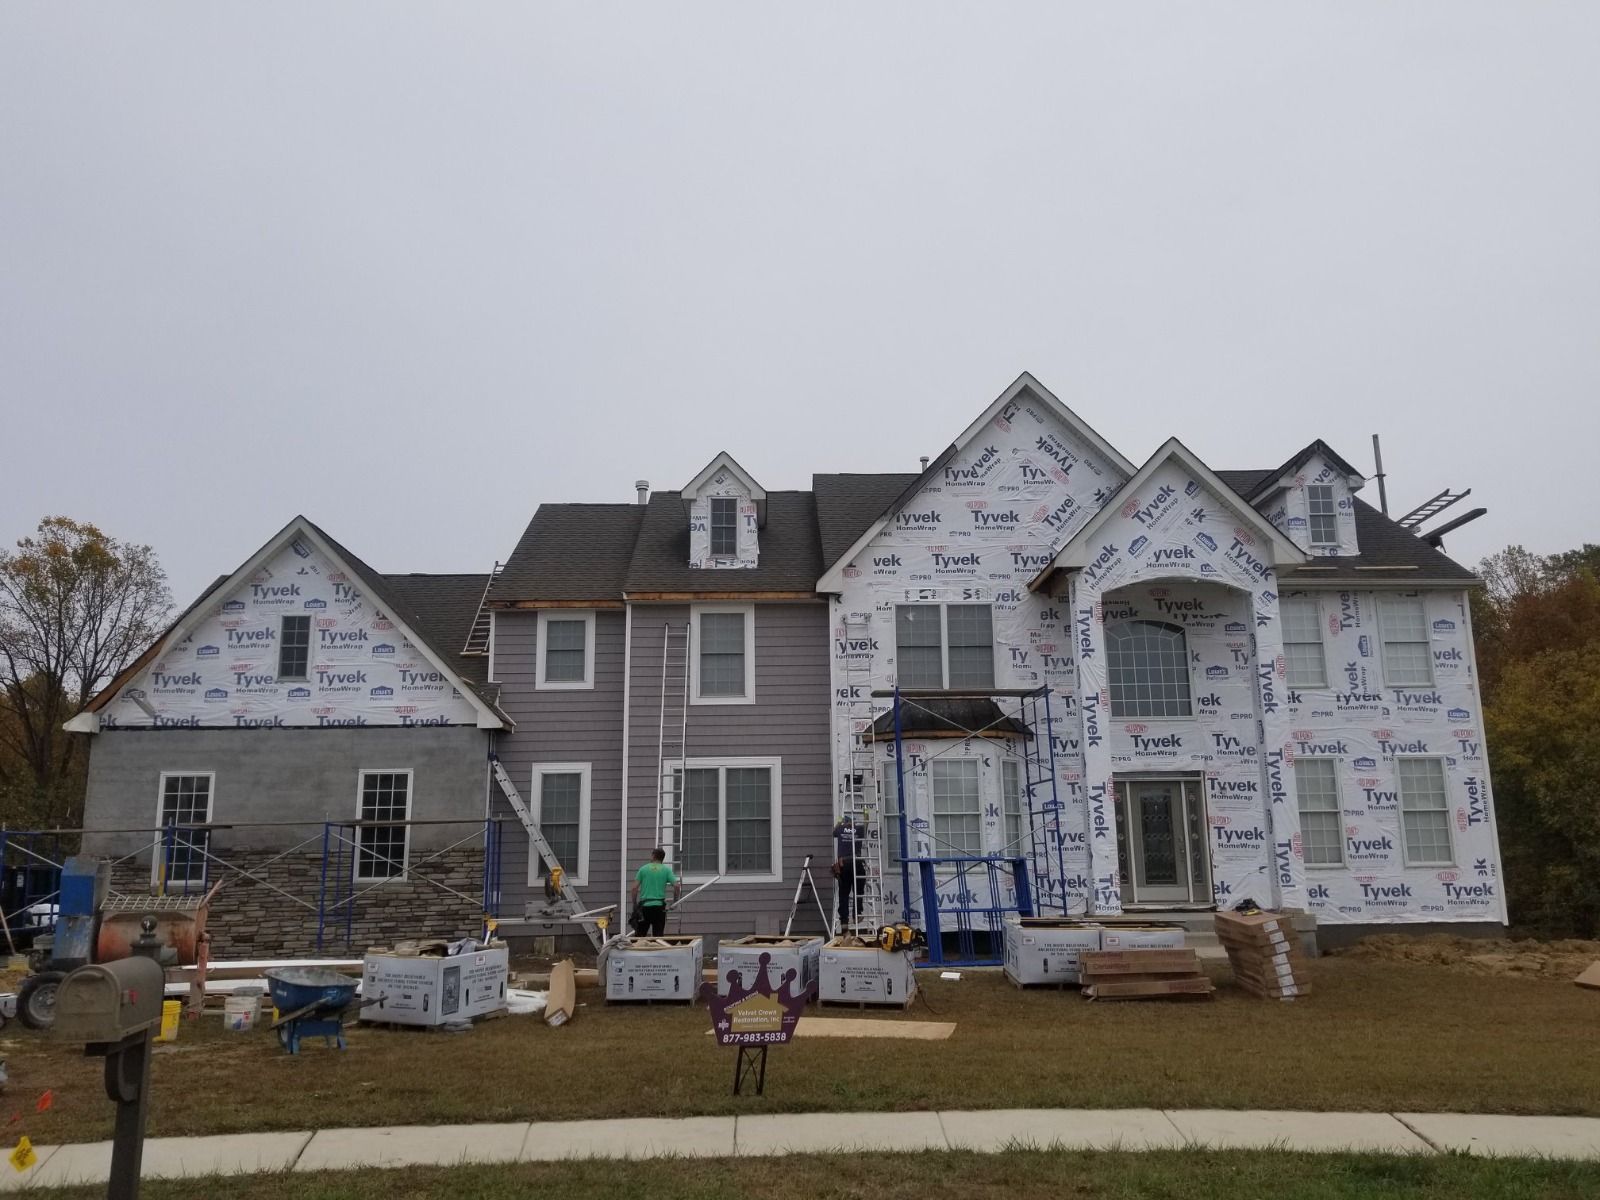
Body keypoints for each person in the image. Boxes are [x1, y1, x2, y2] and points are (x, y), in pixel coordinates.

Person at [631, 848, 681, 936]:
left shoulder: (643, 869)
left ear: (653, 856)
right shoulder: (666, 870)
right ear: (662, 858)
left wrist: (635, 904)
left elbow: (634, 888)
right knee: (658, 937)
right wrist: (675, 901)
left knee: (640, 936)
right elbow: (677, 886)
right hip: (659, 908)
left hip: (645, 907)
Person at [832, 814, 861, 932]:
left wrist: (839, 821)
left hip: (843, 863)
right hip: (856, 862)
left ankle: (844, 922)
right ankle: (857, 915)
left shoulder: (840, 829)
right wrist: (866, 813)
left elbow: (833, 832)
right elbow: (867, 824)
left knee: (844, 894)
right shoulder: (859, 829)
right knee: (858, 891)